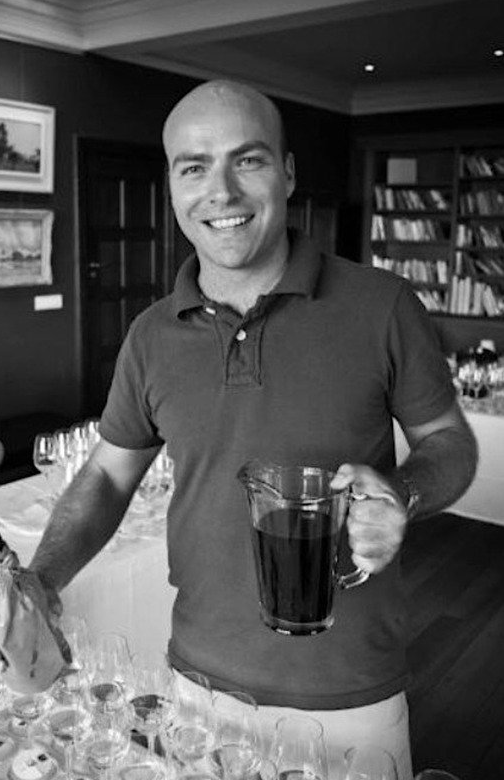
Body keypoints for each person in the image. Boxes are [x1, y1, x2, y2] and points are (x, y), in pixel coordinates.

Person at [29, 80, 477, 779]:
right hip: (197, 685)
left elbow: (450, 441)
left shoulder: (383, 305)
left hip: (349, 690)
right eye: (194, 167)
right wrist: (41, 578)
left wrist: (404, 493)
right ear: (172, 186)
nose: (222, 191)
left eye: (248, 160)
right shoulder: (149, 335)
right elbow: (108, 475)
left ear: (288, 173)